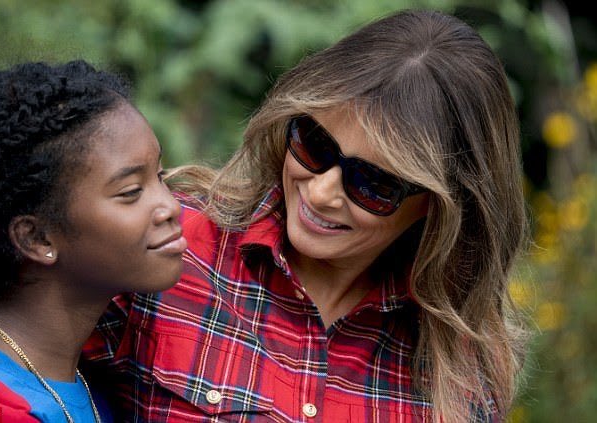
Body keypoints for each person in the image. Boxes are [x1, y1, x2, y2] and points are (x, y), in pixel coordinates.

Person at [83, 9, 528, 422]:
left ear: (439, 206)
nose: (319, 192)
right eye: (315, 144)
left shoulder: (461, 371)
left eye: (371, 183)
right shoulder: (171, 248)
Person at [0, 60, 187, 422]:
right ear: (37, 238)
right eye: (131, 192)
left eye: (160, 176)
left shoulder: (95, 386)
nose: (171, 207)